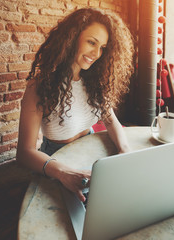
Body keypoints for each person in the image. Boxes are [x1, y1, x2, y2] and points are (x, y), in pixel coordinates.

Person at [16, 7, 135, 202]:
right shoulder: (40, 86)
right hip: (56, 160)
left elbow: (112, 121)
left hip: (90, 151)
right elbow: (24, 153)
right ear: (72, 38)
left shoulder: (96, 82)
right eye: (91, 42)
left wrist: (124, 150)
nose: (97, 53)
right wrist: (63, 173)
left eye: (103, 48)